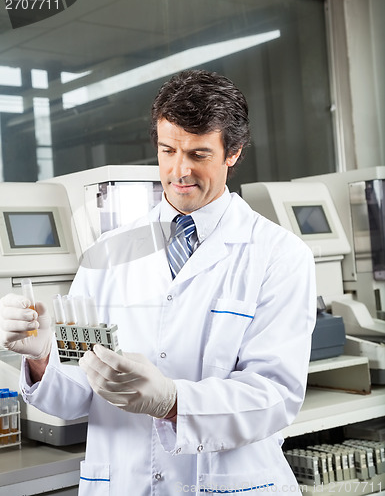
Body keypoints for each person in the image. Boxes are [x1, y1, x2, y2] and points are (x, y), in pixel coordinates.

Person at [0, 69, 316, 495]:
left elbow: (274, 397)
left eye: (199, 154)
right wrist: (41, 359)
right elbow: (76, 392)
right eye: (168, 151)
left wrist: (173, 402)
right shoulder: (106, 254)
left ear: (233, 152)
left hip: (227, 483)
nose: (179, 170)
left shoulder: (279, 255)